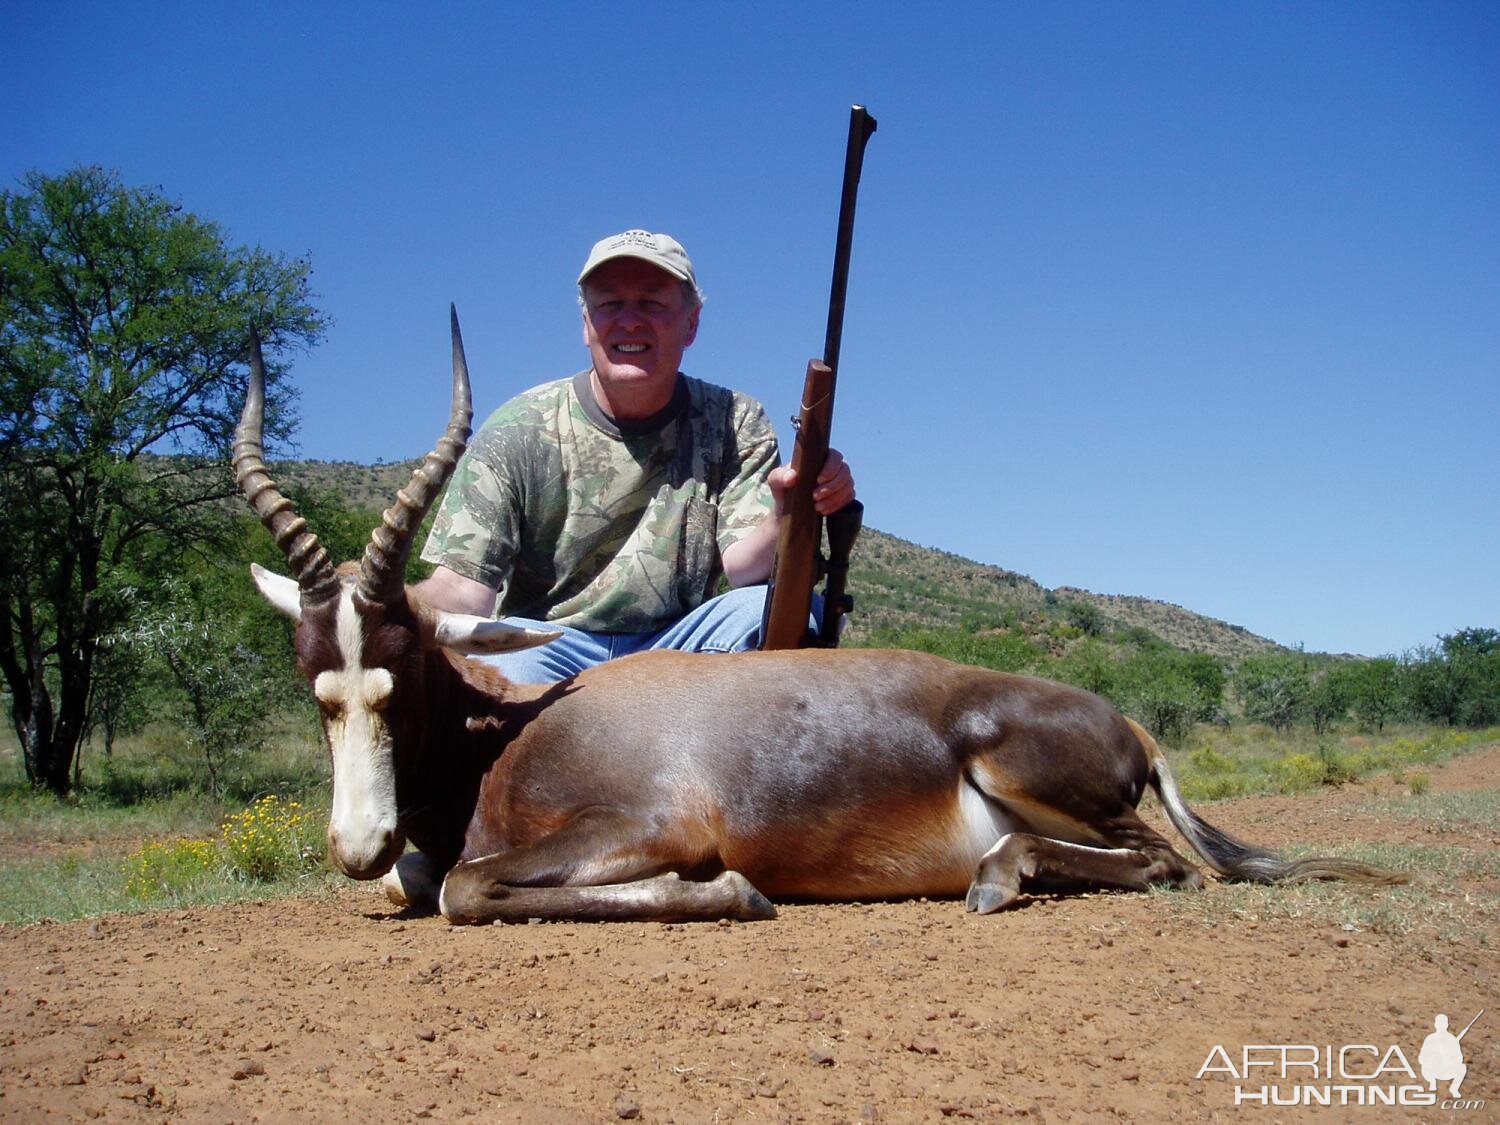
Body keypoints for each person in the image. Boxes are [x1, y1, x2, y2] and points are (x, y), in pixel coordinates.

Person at [415, 229, 855, 682]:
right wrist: (378, 605)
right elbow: (464, 594)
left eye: (652, 303)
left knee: (780, 613)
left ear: (691, 323)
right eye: (609, 304)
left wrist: (787, 510)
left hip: (682, 644)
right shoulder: (516, 430)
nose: (629, 321)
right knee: (495, 670)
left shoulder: (735, 421)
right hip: (548, 644)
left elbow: (745, 568)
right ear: (586, 324)